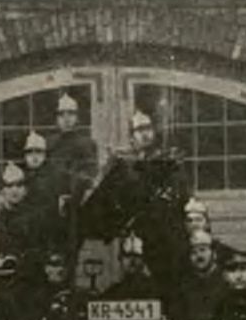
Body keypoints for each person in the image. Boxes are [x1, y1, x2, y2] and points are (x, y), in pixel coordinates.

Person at [79, 111, 191, 290]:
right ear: (131, 137)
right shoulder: (123, 165)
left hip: (162, 238)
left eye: (148, 128)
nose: (145, 134)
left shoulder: (168, 162)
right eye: (139, 129)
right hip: (133, 239)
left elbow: (178, 197)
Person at [48, 93, 99, 196]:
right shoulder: (49, 144)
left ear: (77, 117)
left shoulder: (87, 144)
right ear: (56, 119)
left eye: (71, 114)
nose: (66, 119)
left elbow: (90, 174)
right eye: (61, 114)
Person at [99, 235, 160, 300]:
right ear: (120, 259)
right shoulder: (112, 293)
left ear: (143, 259)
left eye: (136, 256)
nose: (132, 261)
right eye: (127, 256)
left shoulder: (154, 291)